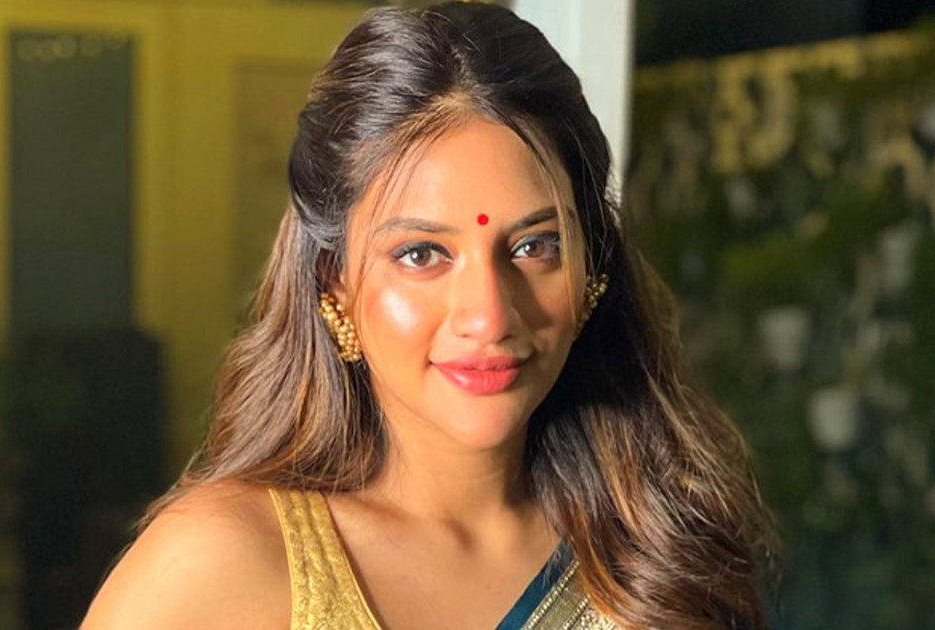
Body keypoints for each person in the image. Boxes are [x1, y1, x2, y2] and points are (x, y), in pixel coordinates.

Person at [81, 2, 776, 629]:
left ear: (592, 266)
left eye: (534, 246)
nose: (489, 316)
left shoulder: (659, 557)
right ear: (333, 284)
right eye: (421, 254)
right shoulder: (223, 564)